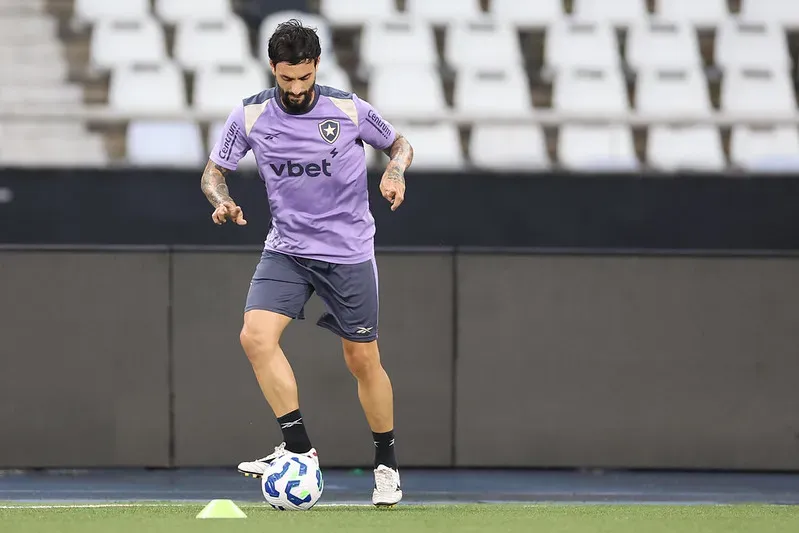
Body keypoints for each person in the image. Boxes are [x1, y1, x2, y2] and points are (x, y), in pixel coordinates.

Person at [200, 19, 413, 507]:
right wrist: (222, 199)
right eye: (286, 79)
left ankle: (385, 463)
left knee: (362, 360)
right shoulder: (250, 116)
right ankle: (298, 449)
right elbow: (214, 172)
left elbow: (398, 143)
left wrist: (394, 172)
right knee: (255, 336)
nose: (295, 89)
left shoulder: (346, 107)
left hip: (348, 251)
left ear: (316, 67)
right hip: (289, 249)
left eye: (303, 78)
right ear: (273, 69)